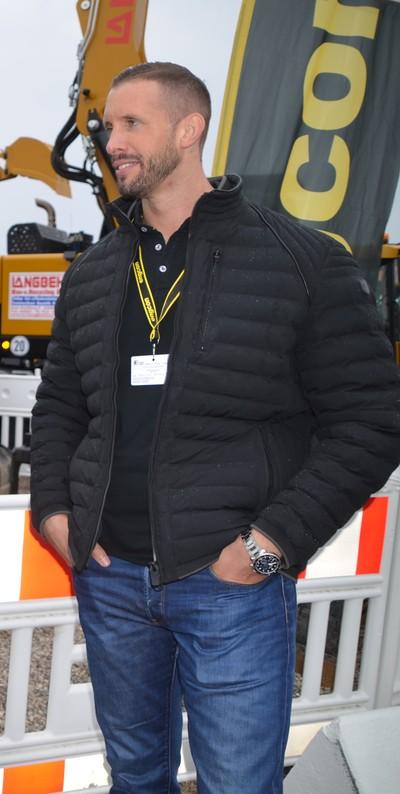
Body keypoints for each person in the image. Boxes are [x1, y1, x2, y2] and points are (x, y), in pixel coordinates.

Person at [31, 61, 400, 793]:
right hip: (111, 581)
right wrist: (55, 514)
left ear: (190, 129)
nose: (113, 142)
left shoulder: (301, 262)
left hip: (229, 582)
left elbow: (373, 418)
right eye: (108, 127)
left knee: (237, 782)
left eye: (132, 123)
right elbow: (60, 408)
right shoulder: (95, 273)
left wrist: (271, 546)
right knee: (135, 774)